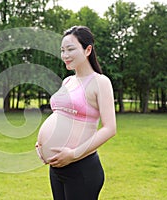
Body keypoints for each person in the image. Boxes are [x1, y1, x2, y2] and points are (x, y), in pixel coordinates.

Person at [35, 26, 117, 199]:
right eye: (62, 50)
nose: (65, 55)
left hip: (81, 168)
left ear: (88, 50)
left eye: (70, 49)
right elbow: (61, 116)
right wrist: (42, 146)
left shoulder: (100, 82)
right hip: (57, 169)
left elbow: (110, 128)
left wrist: (73, 154)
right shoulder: (68, 81)